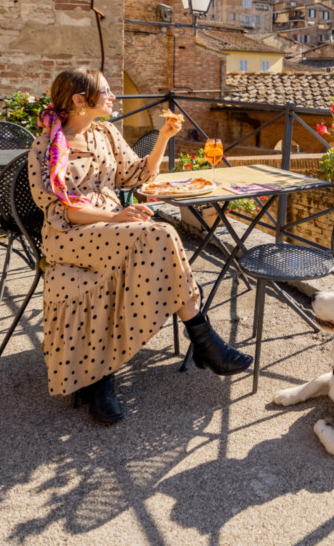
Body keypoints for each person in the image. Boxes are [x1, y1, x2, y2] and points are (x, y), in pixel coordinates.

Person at [27, 68, 251, 423]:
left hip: (112, 227)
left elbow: (136, 175)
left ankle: (106, 374)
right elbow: (57, 208)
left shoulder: (106, 133)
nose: (112, 96)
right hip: (69, 233)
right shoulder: (46, 146)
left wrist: (163, 137)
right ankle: (204, 341)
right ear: (80, 100)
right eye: (105, 90)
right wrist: (115, 217)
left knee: (160, 234)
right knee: (159, 233)